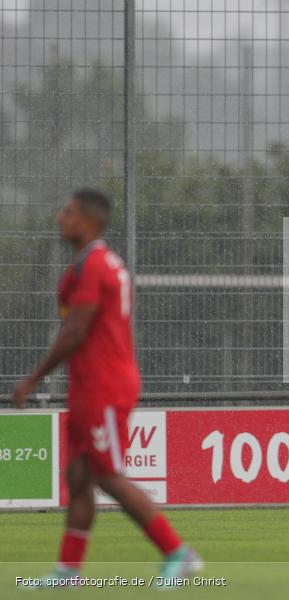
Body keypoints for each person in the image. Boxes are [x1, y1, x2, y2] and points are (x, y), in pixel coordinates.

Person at [9, 189, 202, 587]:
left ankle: (178, 552)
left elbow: (76, 330)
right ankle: (68, 572)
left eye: (69, 212)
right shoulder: (85, 266)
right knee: (79, 475)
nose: (60, 218)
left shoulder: (95, 266)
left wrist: (33, 378)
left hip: (104, 387)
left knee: (107, 474)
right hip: (87, 387)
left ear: (90, 221)